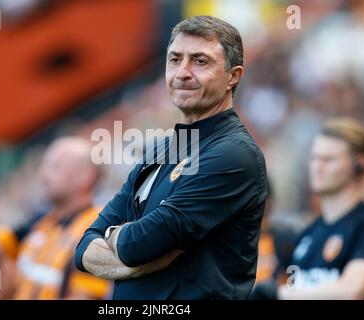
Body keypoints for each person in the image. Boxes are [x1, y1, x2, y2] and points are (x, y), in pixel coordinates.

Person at [74, 16, 268, 299]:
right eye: (175, 59)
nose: (183, 72)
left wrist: (116, 242)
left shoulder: (233, 154)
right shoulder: (163, 149)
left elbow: (138, 245)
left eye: (200, 61)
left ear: (233, 76)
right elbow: (83, 249)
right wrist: (131, 267)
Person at [0, 137, 110, 299]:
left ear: (84, 176)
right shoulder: (41, 221)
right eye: (44, 166)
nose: (44, 175)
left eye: (56, 167)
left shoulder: (97, 232)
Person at [252, 118, 364, 299]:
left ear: (359, 164)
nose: (317, 166)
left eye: (328, 159)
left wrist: (278, 294)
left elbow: (353, 290)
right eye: (314, 158)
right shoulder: (307, 235)